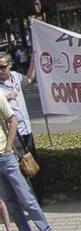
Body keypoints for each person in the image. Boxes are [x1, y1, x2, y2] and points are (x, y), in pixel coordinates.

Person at [0, 94, 56, 231]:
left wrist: (8, 148)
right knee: (10, 203)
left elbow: (12, 119)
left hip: (6, 158)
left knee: (26, 198)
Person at [0, 52, 39, 201]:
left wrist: (34, 61)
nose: (1, 70)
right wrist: (4, 98)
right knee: (21, 168)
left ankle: (37, 199)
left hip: (26, 129)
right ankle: (28, 200)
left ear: (9, 65)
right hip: (12, 133)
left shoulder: (16, 76)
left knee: (33, 164)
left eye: (3, 67)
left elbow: (29, 79)